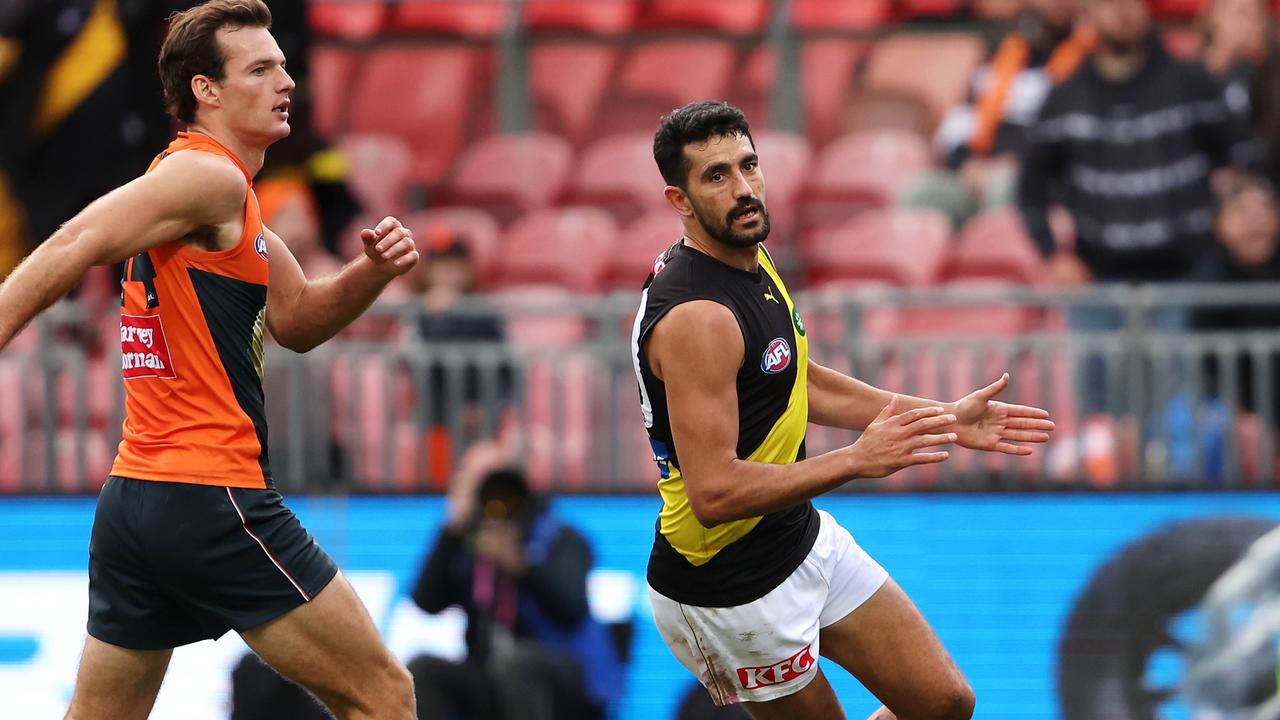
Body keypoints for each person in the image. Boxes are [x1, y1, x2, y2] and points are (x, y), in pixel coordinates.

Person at [0, 2, 419, 718]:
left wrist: (368, 274)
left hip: (138, 501)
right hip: (210, 496)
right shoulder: (210, 180)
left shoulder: (228, 197)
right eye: (260, 68)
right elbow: (74, 243)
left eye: (284, 64)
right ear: (207, 91)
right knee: (383, 694)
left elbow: (297, 319)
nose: (286, 80)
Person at [635, 101, 1055, 719]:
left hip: (796, 536)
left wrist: (945, 418)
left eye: (749, 165)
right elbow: (715, 493)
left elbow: (796, 380)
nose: (744, 188)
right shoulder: (698, 318)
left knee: (944, 704)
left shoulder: (748, 255)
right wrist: (856, 460)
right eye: (716, 176)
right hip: (727, 586)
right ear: (681, 202)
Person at [408, 442, 624, 720]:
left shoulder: (561, 537)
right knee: (423, 670)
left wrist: (521, 567)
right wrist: (449, 531)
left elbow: (571, 611)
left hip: (566, 678)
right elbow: (426, 601)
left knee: (518, 664)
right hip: (491, 676)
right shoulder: (469, 543)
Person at [927, 0, 1092, 223]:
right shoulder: (1002, 52)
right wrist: (966, 163)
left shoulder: (1090, 57)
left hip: (1044, 177)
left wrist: (1017, 162)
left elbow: (1074, 133)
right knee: (923, 192)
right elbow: (959, 123)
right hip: (981, 169)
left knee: (1003, 187)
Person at [407, 227, 514, 489]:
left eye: (454, 268)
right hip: (438, 420)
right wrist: (435, 318)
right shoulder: (419, 314)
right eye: (440, 268)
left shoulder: (484, 314)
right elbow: (414, 361)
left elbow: (505, 369)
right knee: (439, 486)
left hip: (481, 423)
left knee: (482, 484)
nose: (448, 276)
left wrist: (486, 407)